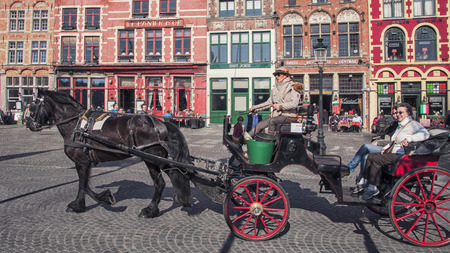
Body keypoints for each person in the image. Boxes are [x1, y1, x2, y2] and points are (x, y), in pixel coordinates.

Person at [359, 103, 430, 200]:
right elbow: (394, 140)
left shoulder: (413, 124)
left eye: (401, 112)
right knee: (370, 156)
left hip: (401, 155)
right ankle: (364, 182)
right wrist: (386, 147)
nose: (398, 114)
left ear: (408, 113)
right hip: (394, 152)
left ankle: (372, 187)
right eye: (397, 112)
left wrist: (409, 139)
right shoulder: (401, 125)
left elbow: (425, 134)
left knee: (376, 159)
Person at [348, 107, 399, 192]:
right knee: (365, 156)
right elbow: (385, 135)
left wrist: (378, 143)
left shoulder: (401, 125)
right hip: (387, 146)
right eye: (393, 113)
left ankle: (349, 168)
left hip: (390, 149)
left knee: (365, 147)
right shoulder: (393, 123)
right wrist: (378, 140)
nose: (395, 115)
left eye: (397, 113)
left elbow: (392, 142)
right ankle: (361, 183)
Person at [244, 67, 301, 139]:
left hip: (289, 116)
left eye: (278, 74)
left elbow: (294, 104)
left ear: (285, 75)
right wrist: (255, 108)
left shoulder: (293, 87)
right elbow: (268, 103)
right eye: (275, 75)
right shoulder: (275, 89)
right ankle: (246, 139)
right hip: (277, 115)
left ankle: (270, 142)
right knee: (260, 125)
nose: (276, 76)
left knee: (272, 121)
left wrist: (279, 106)